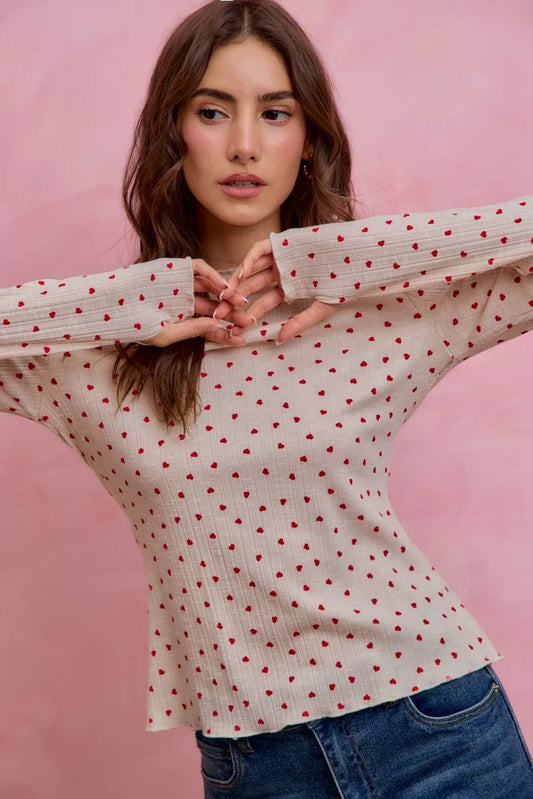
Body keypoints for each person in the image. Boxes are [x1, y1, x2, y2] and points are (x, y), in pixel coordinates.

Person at [1, 0, 532, 796]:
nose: (244, 144)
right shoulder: (90, 351)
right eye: (213, 111)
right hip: (259, 765)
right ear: (172, 132)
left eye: (275, 113)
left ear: (309, 138)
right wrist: (125, 303)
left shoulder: (377, 304)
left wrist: (346, 259)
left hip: (438, 727)